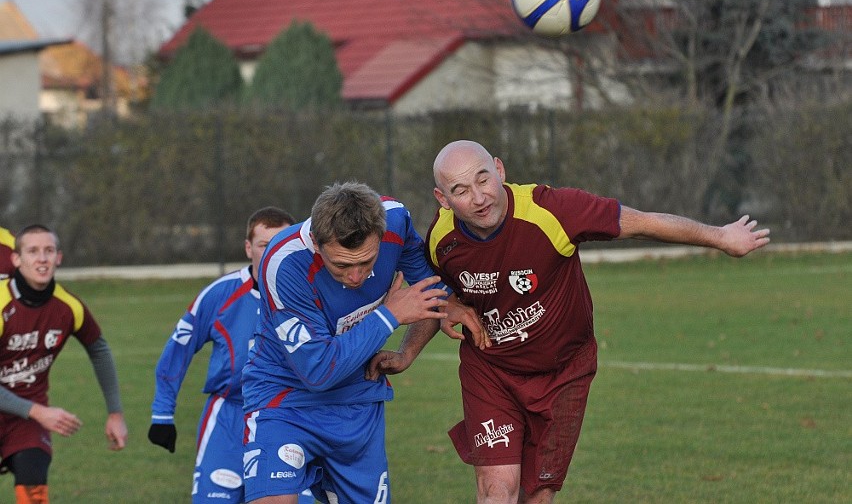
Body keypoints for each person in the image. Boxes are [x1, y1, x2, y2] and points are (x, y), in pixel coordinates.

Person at [374, 140, 771, 504]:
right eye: (461, 191)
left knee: (538, 496)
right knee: (497, 490)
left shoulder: (552, 211)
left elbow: (642, 222)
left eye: (483, 178)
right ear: (443, 199)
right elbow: (434, 294)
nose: (479, 197)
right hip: (490, 370)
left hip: (564, 372)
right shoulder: (442, 239)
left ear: (500, 169)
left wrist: (720, 236)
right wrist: (410, 350)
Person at [241, 181, 486, 504]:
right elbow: (317, 371)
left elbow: (427, 294)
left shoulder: (396, 220)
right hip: (285, 400)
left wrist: (408, 351)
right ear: (316, 241)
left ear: (383, 237)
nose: (355, 276)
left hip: (357, 400)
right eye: (341, 265)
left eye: (366, 262)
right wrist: (389, 315)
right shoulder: (285, 262)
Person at [148, 207, 314, 503]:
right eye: (264, 245)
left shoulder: (312, 294)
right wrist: (163, 412)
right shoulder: (220, 294)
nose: (273, 252)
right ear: (248, 247)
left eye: (281, 243)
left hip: (288, 416)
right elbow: (178, 348)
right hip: (228, 417)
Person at [0, 224, 128, 504]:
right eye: (32, 251)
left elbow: (99, 349)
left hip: (26, 420)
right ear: (16, 260)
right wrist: (37, 411)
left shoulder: (69, 307)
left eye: (49, 251)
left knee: (34, 485)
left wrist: (115, 413)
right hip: (31, 411)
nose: (42, 259)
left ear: (59, 257)